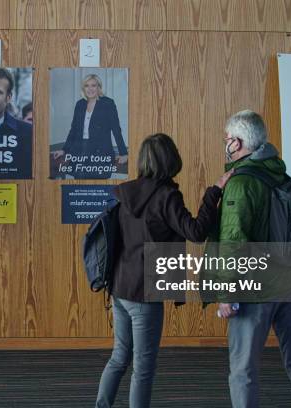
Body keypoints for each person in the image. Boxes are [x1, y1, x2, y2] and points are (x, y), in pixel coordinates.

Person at [96, 133, 232, 408]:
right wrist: (212, 193)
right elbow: (195, 231)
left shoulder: (125, 192)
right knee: (143, 368)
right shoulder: (167, 195)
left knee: (120, 357)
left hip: (120, 289)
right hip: (146, 294)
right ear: (171, 160)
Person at [206, 110, 291, 408]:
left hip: (255, 290)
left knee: (243, 371)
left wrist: (225, 293)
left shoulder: (241, 184)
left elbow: (233, 241)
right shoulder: (280, 173)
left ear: (238, 143)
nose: (225, 144)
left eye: (227, 139)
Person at [52, 74, 128, 179]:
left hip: (100, 153)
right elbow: (73, 130)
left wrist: (124, 153)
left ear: (99, 87)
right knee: (79, 181)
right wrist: (64, 150)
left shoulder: (107, 103)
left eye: (93, 85)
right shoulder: (80, 104)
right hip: (80, 151)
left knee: (98, 183)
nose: (90, 89)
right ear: (83, 88)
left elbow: (116, 129)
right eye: (87, 86)